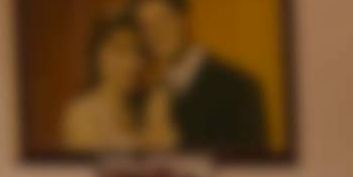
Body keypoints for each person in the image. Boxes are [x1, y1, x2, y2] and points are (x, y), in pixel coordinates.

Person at [133, 0, 267, 156]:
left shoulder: (240, 90)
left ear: (184, 20)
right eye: (146, 27)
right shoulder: (144, 95)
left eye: (164, 19)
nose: (156, 33)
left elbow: (251, 172)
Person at [59, 12, 176, 154]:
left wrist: (158, 117)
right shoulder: (82, 114)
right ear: (98, 55)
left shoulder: (146, 108)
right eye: (120, 50)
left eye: (137, 52)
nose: (132, 62)